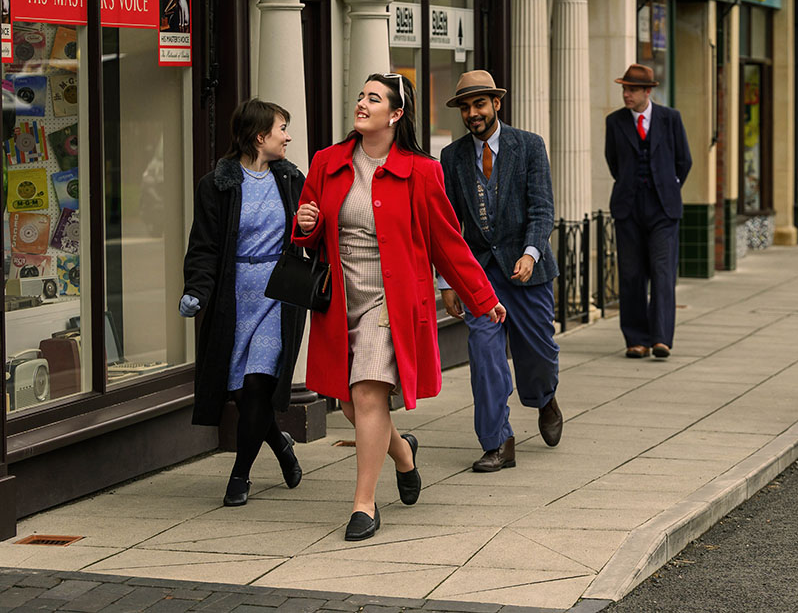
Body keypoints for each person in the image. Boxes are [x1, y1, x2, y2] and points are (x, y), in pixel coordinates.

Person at [293, 72, 506, 542]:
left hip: (390, 301)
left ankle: (363, 505)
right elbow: (309, 227)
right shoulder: (327, 162)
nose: (361, 104)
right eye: (360, 96)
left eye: (374, 98)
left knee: (369, 394)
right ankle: (403, 454)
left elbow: (447, 243)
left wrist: (482, 296)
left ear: (395, 114)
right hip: (338, 298)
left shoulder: (421, 171)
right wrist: (305, 222)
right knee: (351, 406)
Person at [181, 99, 307, 507]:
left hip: (278, 293)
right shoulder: (216, 184)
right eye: (281, 128)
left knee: (257, 384)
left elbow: (312, 234)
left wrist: (311, 226)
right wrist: (197, 291)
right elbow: (203, 246)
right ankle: (282, 447)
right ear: (260, 136)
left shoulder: (291, 179)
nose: (287, 136)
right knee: (240, 393)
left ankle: (240, 476)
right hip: (234, 299)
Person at [438, 70, 563, 472]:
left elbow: (543, 209)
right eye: (465, 107)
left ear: (496, 104)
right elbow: (448, 224)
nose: (472, 113)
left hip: (528, 271)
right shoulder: (451, 157)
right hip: (479, 276)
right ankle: (497, 442)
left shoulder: (528, 146)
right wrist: (448, 281)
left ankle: (544, 398)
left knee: (537, 356)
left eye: (479, 104)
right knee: (485, 355)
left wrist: (530, 254)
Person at [604, 64, 692, 360]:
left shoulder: (670, 119)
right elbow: (613, 162)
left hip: (663, 209)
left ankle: (661, 339)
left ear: (647, 91)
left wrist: (667, 186)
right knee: (631, 275)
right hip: (628, 208)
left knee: (663, 273)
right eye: (624, 89)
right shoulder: (615, 122)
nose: (626, 94)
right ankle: (636, 339)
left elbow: (684, 161)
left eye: (631, 90)